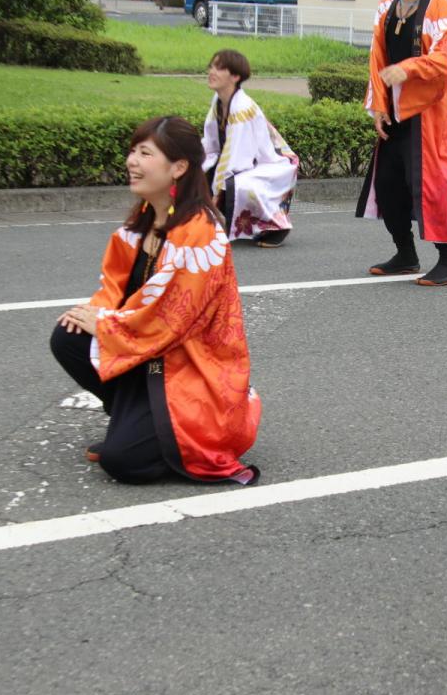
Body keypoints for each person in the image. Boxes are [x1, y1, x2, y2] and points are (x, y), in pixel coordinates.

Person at [50, 116, 261, 485]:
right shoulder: (146, 217)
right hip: (150, 352)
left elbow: (171, 321)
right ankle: (129, 418)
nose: (132, 161)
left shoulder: (200, 232)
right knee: (68, 336)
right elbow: (115, 288)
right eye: (133, 151)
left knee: (123, 463)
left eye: (145, 153)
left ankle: (164, 435)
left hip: (191, 368)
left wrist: (103, 325)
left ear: (178, 167)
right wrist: (95, 313)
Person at [356, 0, 447, 287]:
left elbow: (444, 59)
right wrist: (377, 105)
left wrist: (408, 69)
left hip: (430, 113)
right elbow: (377, 59)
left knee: (431, 186)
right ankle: (405, 253)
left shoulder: (440, 9)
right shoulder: (387, 6)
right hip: (396, 111)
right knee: (388, 184)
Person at [202, 49, 298, 248]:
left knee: (237, 185)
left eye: (219, 68)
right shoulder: (218, 101)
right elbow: (211, 140)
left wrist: (216, 190)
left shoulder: (242, 107)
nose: (212, 72)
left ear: (235, 77)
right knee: (198, 170)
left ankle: (276, 226)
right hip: (247, 160)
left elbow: (237, 157)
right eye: (211, 66)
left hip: (270, 162)